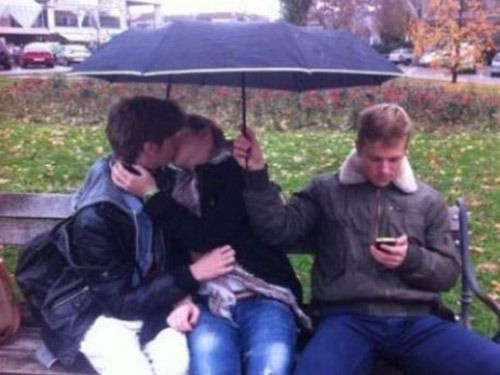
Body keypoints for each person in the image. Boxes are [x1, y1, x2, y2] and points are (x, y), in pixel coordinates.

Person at [232, 103, 500, 375]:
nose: (385, 170)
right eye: (375, 159)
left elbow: (447, 274)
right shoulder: (326, 191)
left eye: (394, 159)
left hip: (416, 320)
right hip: (346, 320)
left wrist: (411, 258)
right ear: (359, 147)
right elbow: (279, 231)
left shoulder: (426, 200)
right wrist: (255, 172)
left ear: (406, 149)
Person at [38, 96, 236, 375]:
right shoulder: (96, 216)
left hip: (152, 302)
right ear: (151, 147)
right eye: (173, 138)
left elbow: (177, 243)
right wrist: (192, 274)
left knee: (177, 366)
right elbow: (118, 303)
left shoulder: (162, 179)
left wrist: (182, 298)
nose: (179, 142)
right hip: (97, 312)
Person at [112, 113, 309, 375]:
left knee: (270, 367)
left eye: (178, 137)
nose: (171, 144)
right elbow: (170, 250)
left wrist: (152, 195)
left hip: (263, 297)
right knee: (211, 368)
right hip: (207, 301)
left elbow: (210, 237)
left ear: (204, 133)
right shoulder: (174, 183)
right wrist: (181, 299)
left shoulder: (234, 171)